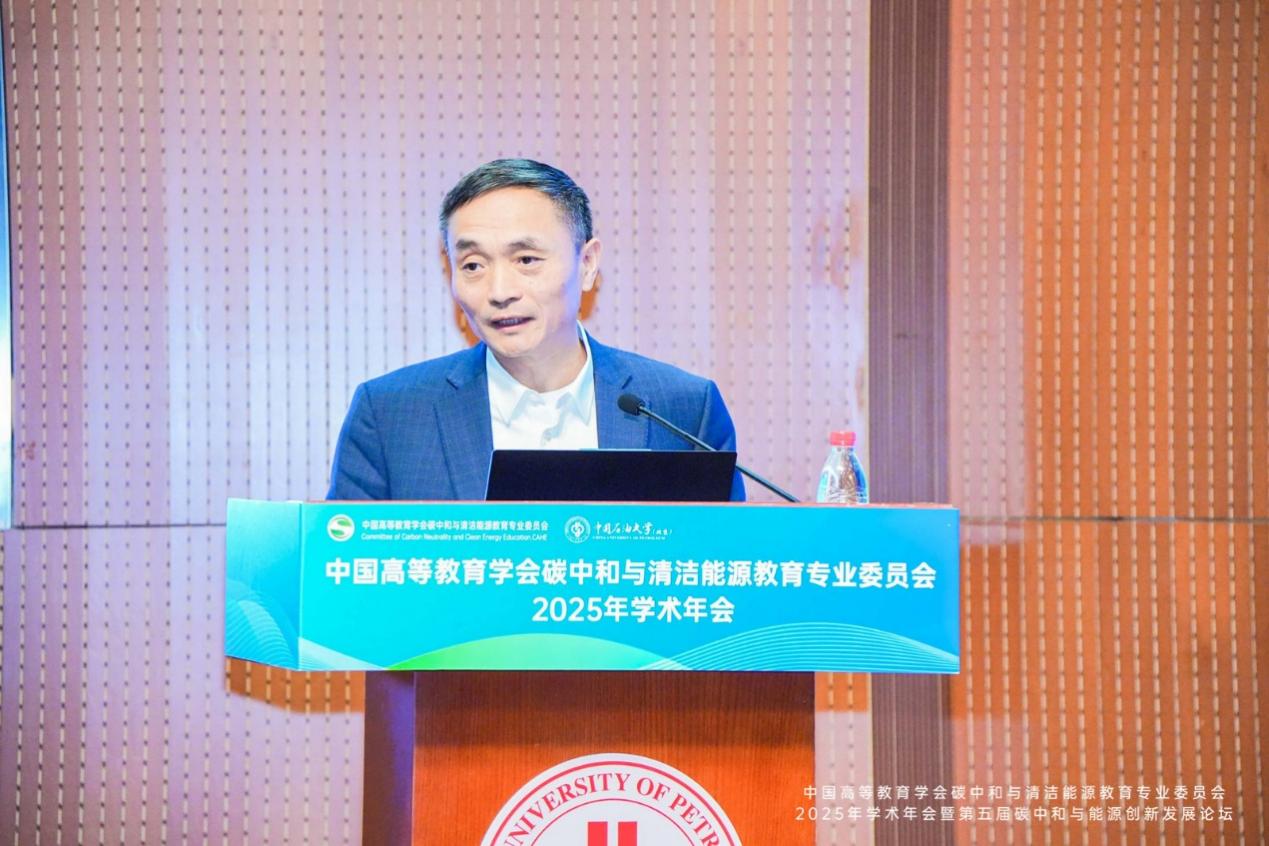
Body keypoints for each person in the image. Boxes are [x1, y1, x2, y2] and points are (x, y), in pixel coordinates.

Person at [327, 158, 745, 501]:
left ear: (587, 265)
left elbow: (726, 562)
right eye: (473, 265)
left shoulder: (684, 409)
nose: (499, 292)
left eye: (526, 260)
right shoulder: (389, 416)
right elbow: (344, 569)